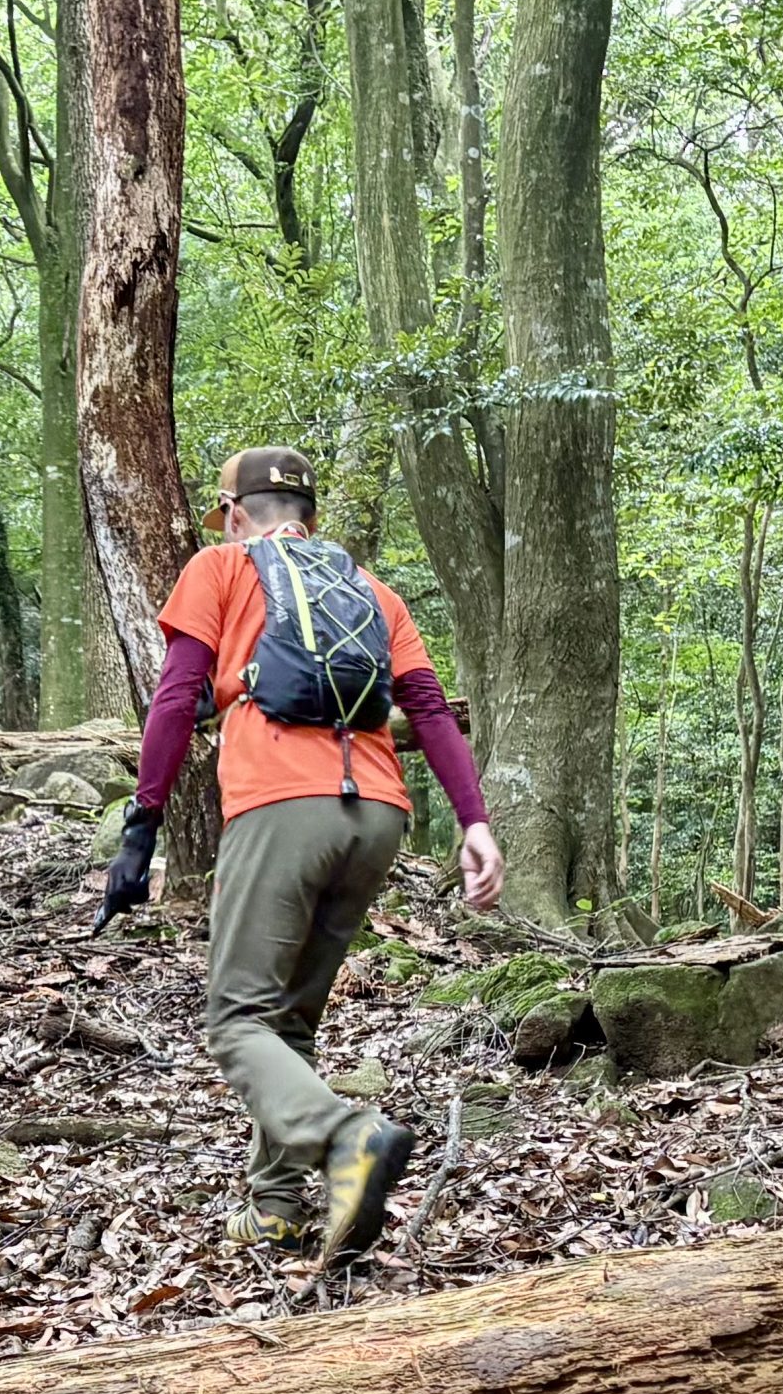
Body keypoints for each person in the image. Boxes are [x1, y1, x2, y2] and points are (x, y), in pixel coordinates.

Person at [99, 447, 502, 1269]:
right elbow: (426, 707)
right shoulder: (371, 591)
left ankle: (346, 1136)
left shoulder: (219, 568)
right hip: (378, 818)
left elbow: (177, 694)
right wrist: (474, 823)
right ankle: (278, 1209)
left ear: (236, 514)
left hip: (281, 805)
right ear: (309, 520)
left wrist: (144, 818)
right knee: (288, 1022)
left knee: (236, 1019)